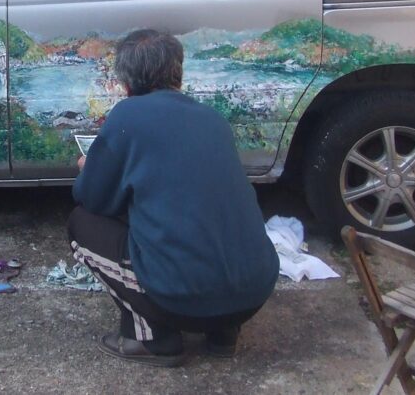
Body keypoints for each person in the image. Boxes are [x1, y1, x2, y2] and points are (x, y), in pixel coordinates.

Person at [68, 29, 279, 367]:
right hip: (254, 292)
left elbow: (91, 198)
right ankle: (224, 333)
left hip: (183, 300)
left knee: (81, 224)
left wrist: (88, 168)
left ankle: (151, 339)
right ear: (178, 73)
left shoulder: (127, 116)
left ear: (126, 83)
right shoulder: (213, 119)